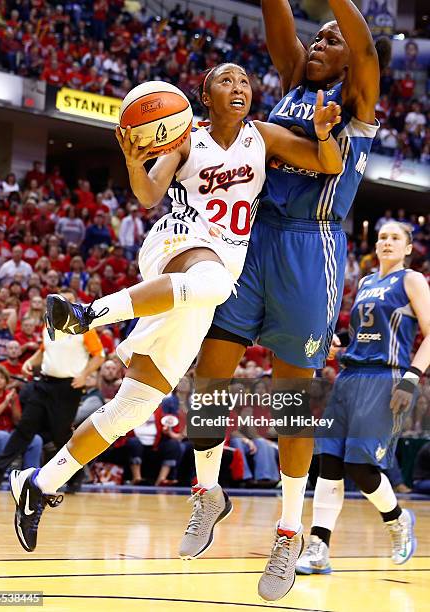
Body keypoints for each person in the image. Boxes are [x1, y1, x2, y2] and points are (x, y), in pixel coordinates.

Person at [9, 62, 343, 554]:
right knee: (212, 283)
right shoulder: (187, 138)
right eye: (226, 80)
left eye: (245, 81)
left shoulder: (264, 137)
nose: (239, 87)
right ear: (204, 96)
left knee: (134, 403)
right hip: (178, 245)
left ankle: (38, 483)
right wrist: (132, 160)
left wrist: (322, 135)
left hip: (210, 274)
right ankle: (86, 314)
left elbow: (329, 165)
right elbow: (148, 195)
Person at [176, 0, 388, 603]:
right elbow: (276, 16)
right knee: (210, 372)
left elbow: (367, 49)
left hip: (308, 247)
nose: (319, 44)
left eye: (331, 39)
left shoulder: (357, 99)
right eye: (315, 36)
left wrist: (342, 12)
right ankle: (206, 494)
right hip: (252, 237)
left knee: (292, 398)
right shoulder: (296, 81)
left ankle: (290, 532)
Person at [296, 222, 430, 574]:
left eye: (395, 238)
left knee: (361, 466)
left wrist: (412, 379)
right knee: (329, 464)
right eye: (382, 237)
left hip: (386, 377)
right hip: (349, 377)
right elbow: (363, 330)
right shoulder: (367, 282)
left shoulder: (412, 280)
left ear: (407, 248)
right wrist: (341, 339)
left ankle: (397, 520)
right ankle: (318, 547)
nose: (386, 242)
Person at [0, 288, 104, 490]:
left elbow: (99, 356)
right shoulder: (49, 324)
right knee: (25, 427)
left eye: (70, 301)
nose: (66, 304)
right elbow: (42, 351)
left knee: (61, 435)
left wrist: (84, 375)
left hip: (68, 387)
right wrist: (30, 360)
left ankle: (76, 475)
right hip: (44, 383)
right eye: (62, 301)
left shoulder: (84, 328)